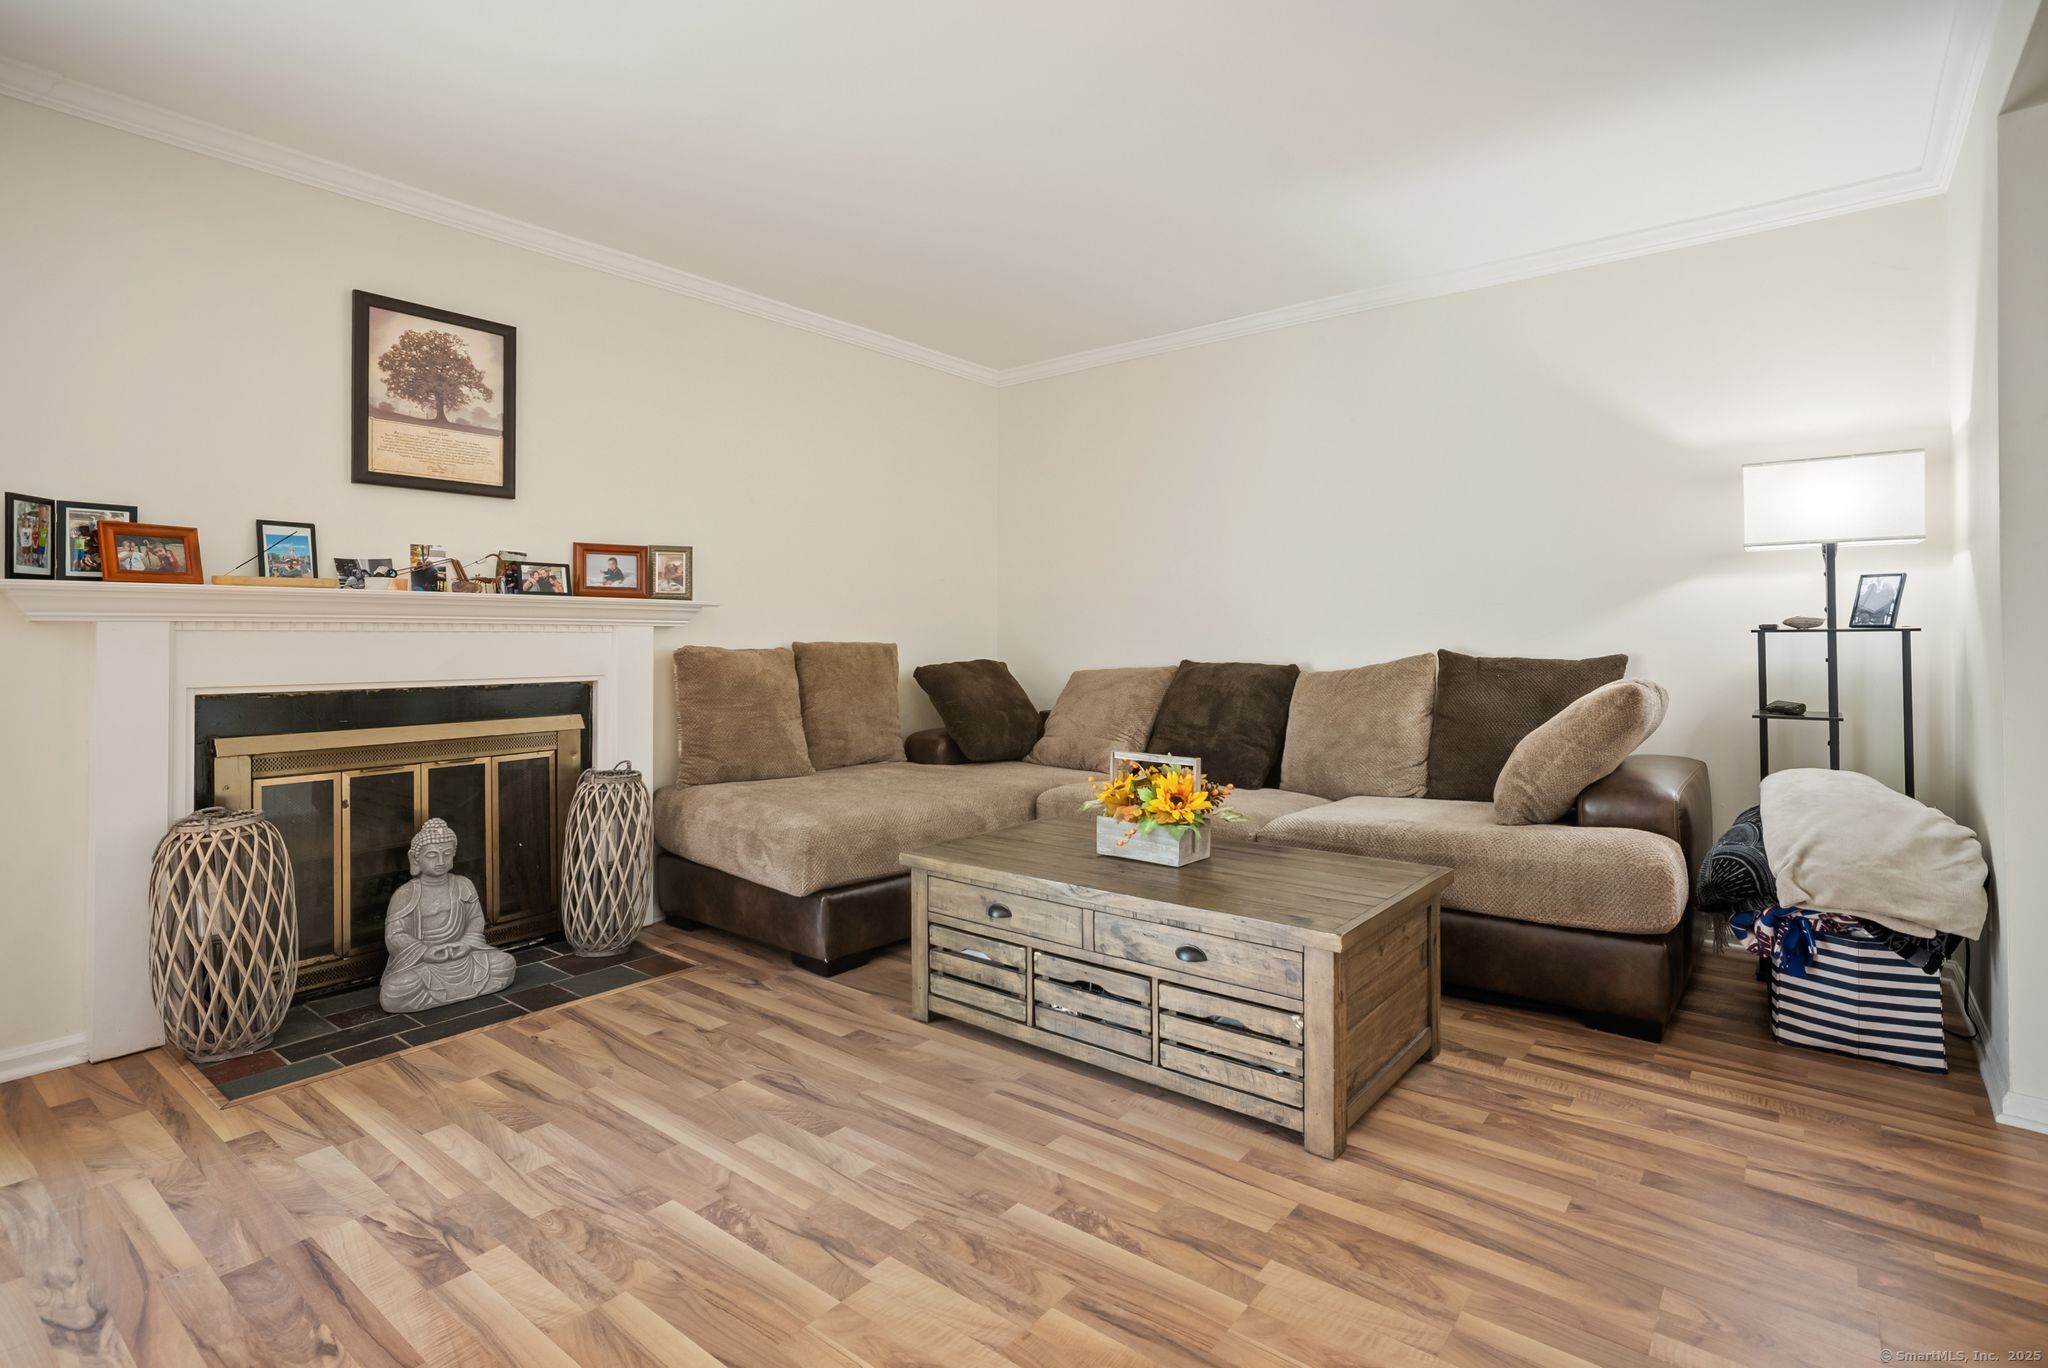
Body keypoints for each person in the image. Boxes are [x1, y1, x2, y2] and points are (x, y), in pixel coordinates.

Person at [377, 819, 516, 1012]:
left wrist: (466, 943)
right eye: (432, 855)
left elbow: (476, 919)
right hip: (425, 964)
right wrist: (425, 952)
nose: (441, 861)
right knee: (395, 991)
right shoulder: (405, 894)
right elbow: (394, 935)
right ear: (415, 859)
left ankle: (447, 993)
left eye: (447, 854)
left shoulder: (463, 885)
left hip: (464, 957)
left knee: (505, 964)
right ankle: (452, 990)